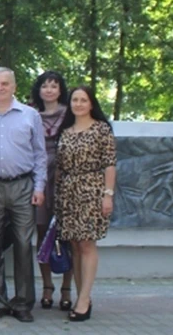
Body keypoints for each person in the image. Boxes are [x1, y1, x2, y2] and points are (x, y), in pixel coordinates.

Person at [0, 67, 47, 323]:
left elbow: (40, 154)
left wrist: (39, 187)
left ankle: (23, 303)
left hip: (22, 187)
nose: (0, 88)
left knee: (22, 245)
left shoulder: (30, 116)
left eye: (5, 83)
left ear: (14, 87)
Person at [55, 86, 117, 322]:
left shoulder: (101, 129)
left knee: (87, 243)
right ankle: (83, 296)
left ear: (92, 104)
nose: (78, 104)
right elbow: (60, 167)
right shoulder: (66, 131)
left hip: (92, 191)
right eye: (75, 100)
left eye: (83, 100)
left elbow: (109, 163)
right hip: (68, 193)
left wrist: (107, 194)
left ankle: (83, 299)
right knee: (74, 245)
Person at [29, 70, 72, 311]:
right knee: (43, 233)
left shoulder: (70, 114)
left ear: (60, 90)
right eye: (45, 85)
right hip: (40, 180)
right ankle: (47, 286)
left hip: (65, 180)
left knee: (68, 234)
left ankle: (67, 287)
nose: (49, 90)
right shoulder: (31, 115)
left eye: (54, 85)